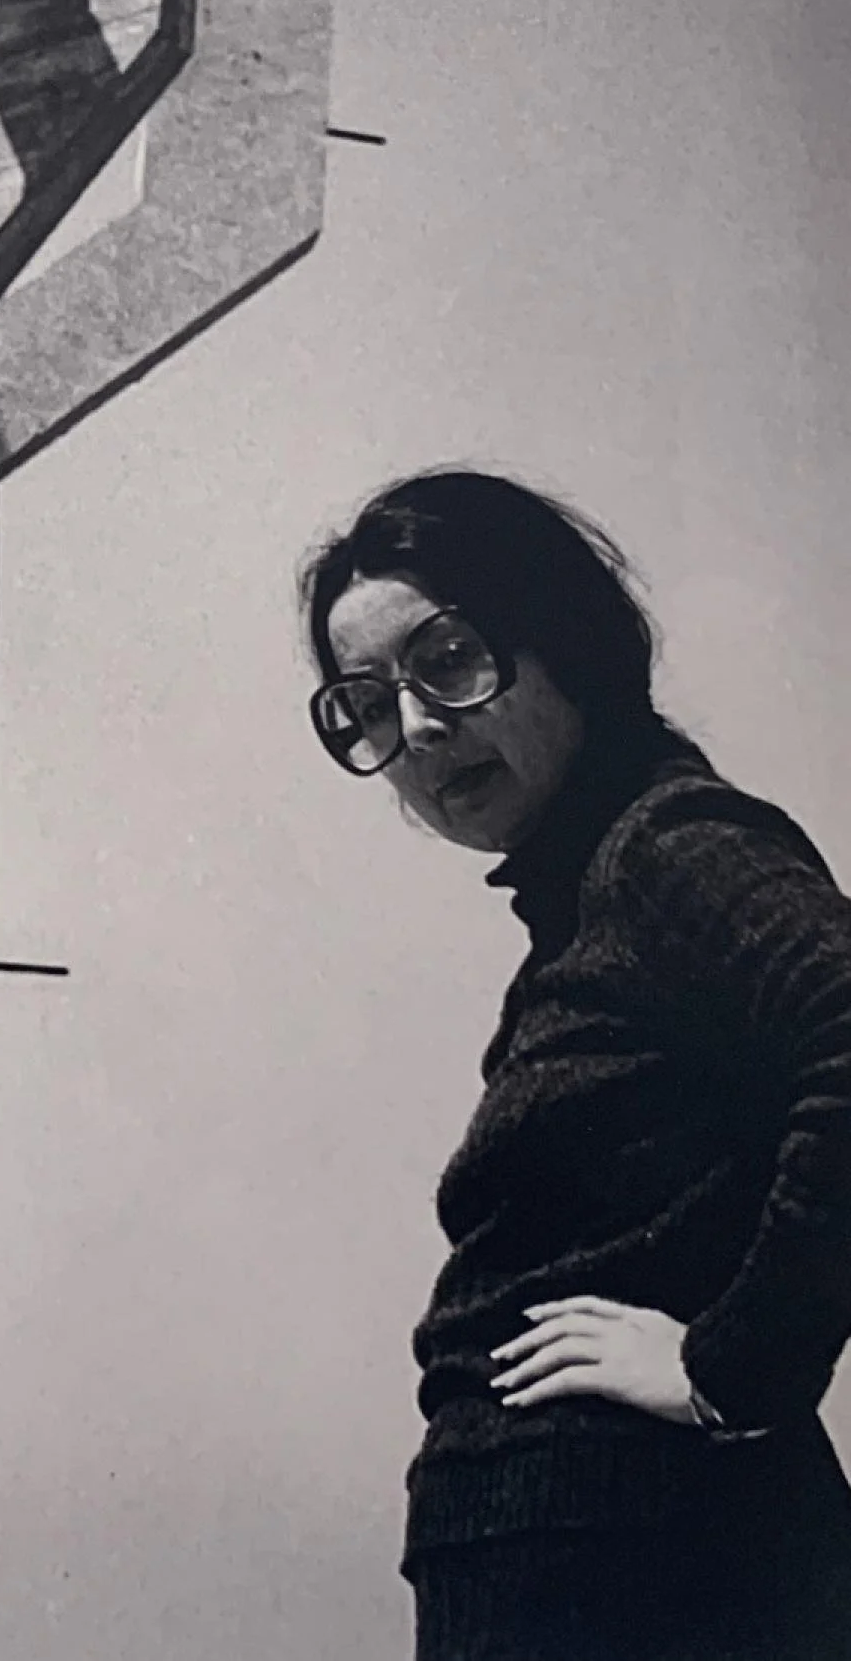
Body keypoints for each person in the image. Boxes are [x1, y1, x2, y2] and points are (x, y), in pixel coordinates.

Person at [301, 468, 851, 1661]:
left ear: (560, 634)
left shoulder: (669, 845)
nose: (420, 727)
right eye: (369, 704)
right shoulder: (590, 896)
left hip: (631, 1552)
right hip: (567, 1552)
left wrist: (733, 1366)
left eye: (445, 657)